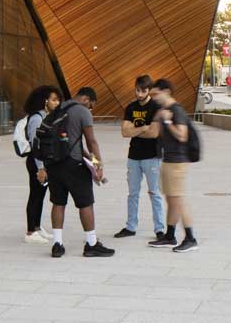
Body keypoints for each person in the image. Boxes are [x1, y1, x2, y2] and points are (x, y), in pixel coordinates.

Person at [40, 86, 114, 258]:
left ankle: (57, 244)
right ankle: (91, 244)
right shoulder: (82, 111)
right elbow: (91, 141)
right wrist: (98, 165)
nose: (90, 109)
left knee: (58, 203)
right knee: (86, 203)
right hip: (74, 165)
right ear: (86, 99)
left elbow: (74, 141)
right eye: (91, 106)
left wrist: (88, 157)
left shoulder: (60, 107)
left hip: (53, 163)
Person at [146, 78, 197, 252]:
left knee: (178, 200)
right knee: (171, 200)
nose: (153, 98)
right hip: (167, 160)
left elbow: (182, 135)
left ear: (166, 92)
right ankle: (170, 236)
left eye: (155, 94)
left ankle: (191, 238)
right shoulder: (164, 111)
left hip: (177, 162)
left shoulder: (176, 110)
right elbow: (154, 133)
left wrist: (168, 122)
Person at [115, 74, 166, 242]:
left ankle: (159, 229)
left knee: (154, 193)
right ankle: (131, 227)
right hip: (134, 156)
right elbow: (124, 132)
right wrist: (144, 127)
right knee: (133, 193)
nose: (139, 94)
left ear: (149, 90)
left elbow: (154, 133)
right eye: (137, 90)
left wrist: (135, 130)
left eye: (143, 90)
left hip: (152, 156)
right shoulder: (130, 107)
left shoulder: (156, 107)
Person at [21, 84, 60, 244]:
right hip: (37, 161)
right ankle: (31, 231)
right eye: (54, 100)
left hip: (45, 161)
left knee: (40, 195)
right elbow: (35, 144)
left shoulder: (46, 116)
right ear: (45, 101)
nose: (57, 103)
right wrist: (41, 168)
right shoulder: (37, 118)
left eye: (58, 100)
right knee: (35, 195)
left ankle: (37, 227)